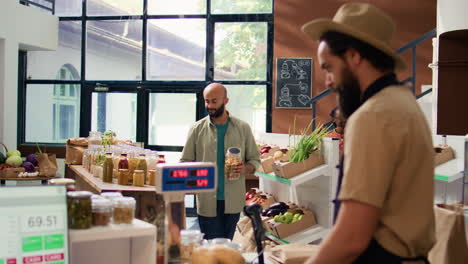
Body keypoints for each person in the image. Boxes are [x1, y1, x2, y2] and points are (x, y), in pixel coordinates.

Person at [301, 3, 435, 263]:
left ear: (354, 56)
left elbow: (352, 238)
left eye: (328, 67)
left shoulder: (372, 116)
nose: (327, 82)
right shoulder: (404, 102)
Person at [180, 82, 260, 240]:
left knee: (230, 247)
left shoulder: (243, 128)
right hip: (206, 201)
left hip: (234, 202)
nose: (209, 105)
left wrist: (245, 168)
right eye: (206, 101)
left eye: (214, 101)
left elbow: (255, 160)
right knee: (212, 248)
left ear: (225, 101)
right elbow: (185, 162)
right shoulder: (196, 129)